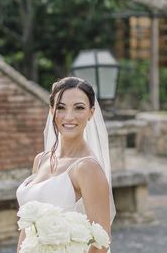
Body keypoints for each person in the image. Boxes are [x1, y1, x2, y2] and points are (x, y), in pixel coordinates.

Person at [16, 77, 114, 253]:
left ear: (91, 113)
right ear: (51, 110)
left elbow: (102, 241)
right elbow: (27, 229)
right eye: (61, 108)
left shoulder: (87, 168)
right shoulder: (41, 160)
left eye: (79, 108)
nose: (69, 116)